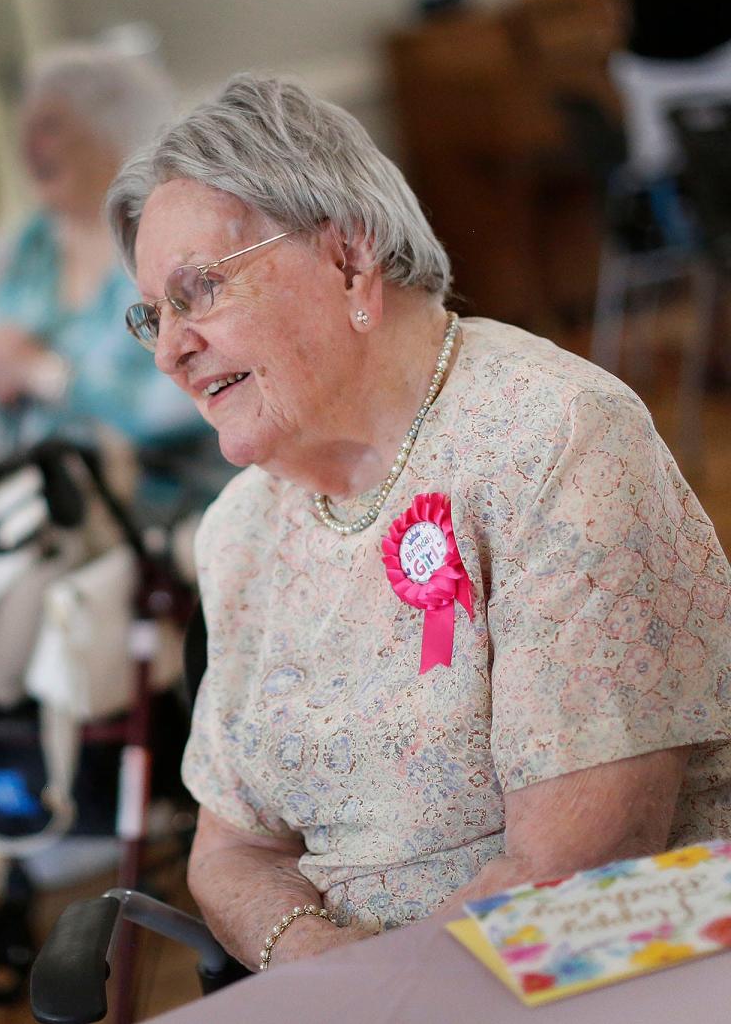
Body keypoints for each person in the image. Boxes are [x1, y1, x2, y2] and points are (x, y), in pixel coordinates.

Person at [106, 74, 731, 971]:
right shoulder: (239, 529)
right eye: (152, 315)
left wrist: (367, 989)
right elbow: (231, 850)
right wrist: (312, 957)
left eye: (198, 290)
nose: (169, 349)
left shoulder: (553, 441)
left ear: (351, 261)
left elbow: (568, 878)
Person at [0, 44, 217, 515]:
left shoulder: (158, 241)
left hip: (156, 505)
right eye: (24, 128)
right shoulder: (35, 242)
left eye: (51, 126)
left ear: (113, 131)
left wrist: (47, 374)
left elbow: (180, 400)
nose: (28, 146)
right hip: (41, 495)